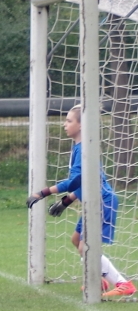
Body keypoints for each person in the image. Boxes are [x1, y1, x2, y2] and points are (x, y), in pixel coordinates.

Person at [26, 105, 136, 298]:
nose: (64, 124)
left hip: (102, 201)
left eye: (69, 121)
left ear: (81, 125)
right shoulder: (80, 147)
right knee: (76, 240)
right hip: (92, 200)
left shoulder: (85, 148)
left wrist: (42, 193)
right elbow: (85, 182)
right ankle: (98, 279)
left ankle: (123, 283)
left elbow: (74, 181)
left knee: (85, 245)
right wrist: (66, 201)